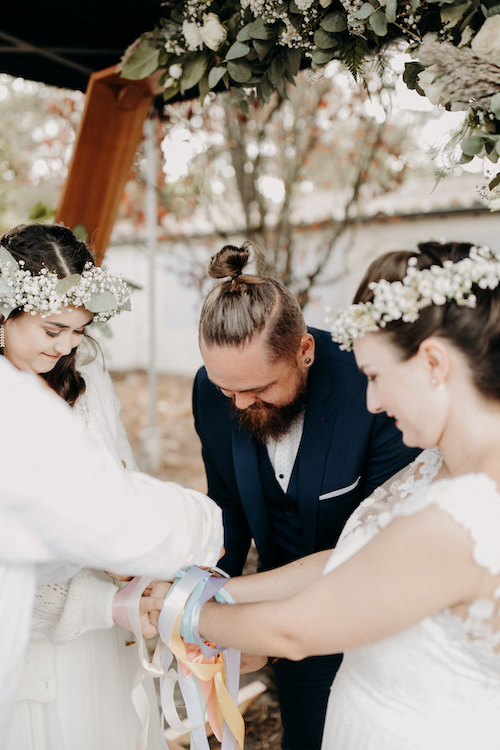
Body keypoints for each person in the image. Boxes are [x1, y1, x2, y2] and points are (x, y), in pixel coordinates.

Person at [153, 240, 500, 749]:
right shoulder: (441, 465)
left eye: (377, 377)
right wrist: (212, 590)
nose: (373, 399)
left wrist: (181, 613)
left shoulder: (467, 511)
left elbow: (298, 628)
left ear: (433, 362)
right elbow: (355, 556)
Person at [0, 224, 223, 749]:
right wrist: (104, 598)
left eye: (79, 330)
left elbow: (119, 480)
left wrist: (134, 573)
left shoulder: (87, 369)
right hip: (31, 642)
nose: (66, 346)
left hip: (106, 631)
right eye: (52, 330)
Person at [192, 244, 419, 749]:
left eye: (258, 388)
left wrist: (238, 617)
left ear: (305, 351)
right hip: (276, 614)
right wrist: (214, 608)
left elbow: (381, 546)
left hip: (378, 609)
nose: (240, 404)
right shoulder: (213, 390)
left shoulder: (371, 392)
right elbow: (226, 506)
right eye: (226, 390)